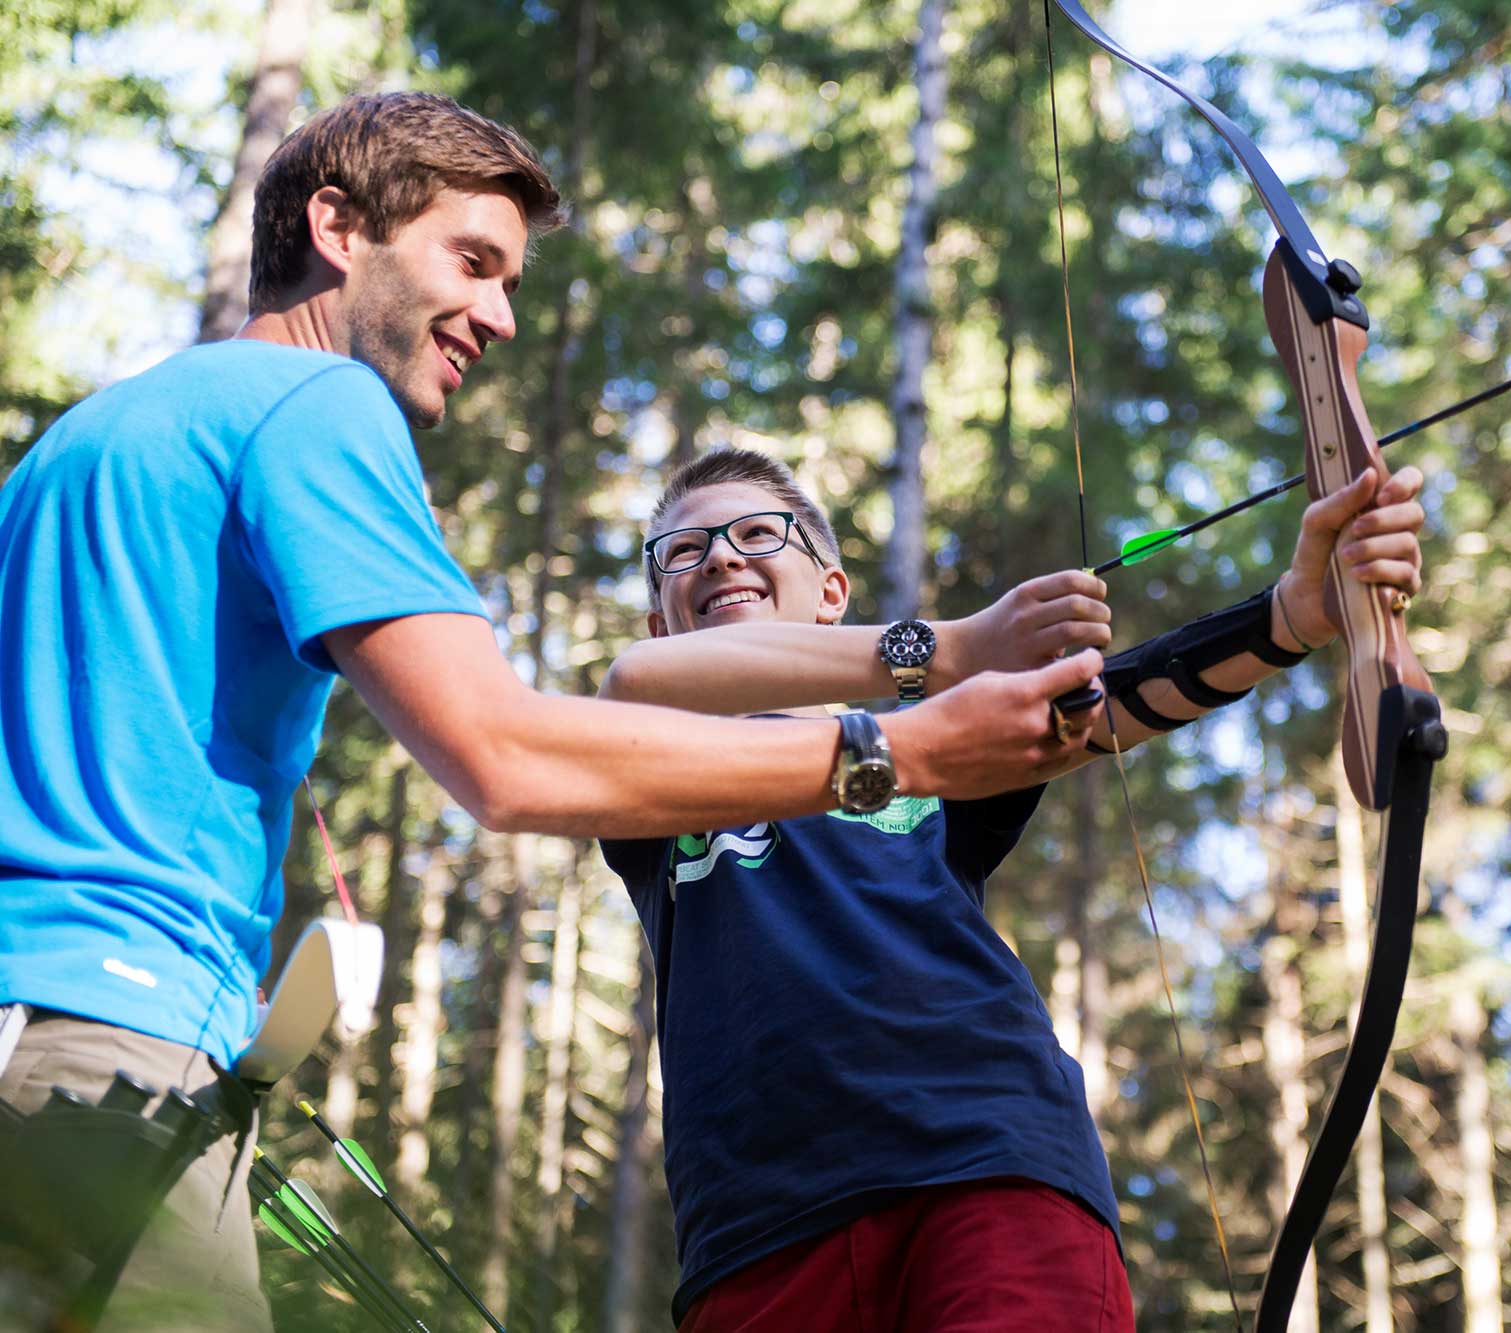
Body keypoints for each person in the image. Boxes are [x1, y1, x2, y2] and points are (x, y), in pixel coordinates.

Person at [0, 92, 1101, 1332]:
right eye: (470, 262)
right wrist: (896, 747)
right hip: (102, 1047)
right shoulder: (314, 404)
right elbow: (503, 755)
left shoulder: (76, 445)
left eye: (509, 279)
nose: (498, 316)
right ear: (337, 227)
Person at [596, 446, 1425, 1331]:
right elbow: (633, 687)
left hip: (988, 1164)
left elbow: (1106, 704)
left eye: (758, 533)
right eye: (683, 552)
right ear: (660, 621)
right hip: (757, 1230)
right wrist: (945, 649)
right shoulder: (654, 767)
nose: (720, 556)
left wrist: (1292, 616)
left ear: (831, 591)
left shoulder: (939, 733)